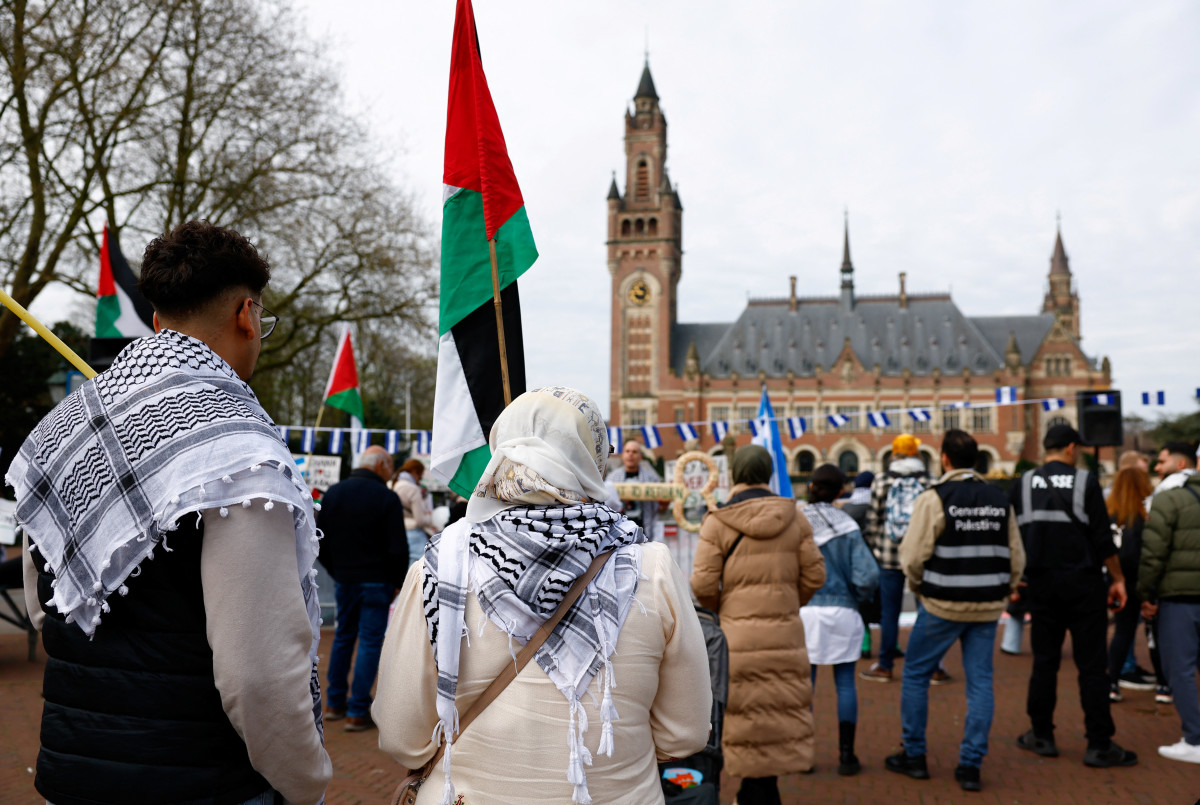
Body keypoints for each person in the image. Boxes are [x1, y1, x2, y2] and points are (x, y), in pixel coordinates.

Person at [12, 220, 331, 804]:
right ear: (246, 314)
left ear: (158, 321)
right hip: (202, 781)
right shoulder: (237, 451)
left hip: (72, 771)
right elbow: (257, 676)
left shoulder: (67, 427)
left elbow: (44, 607)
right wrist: (308, 783)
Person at [373, 387, 711, 804]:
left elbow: (401, 734)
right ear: (592, 459)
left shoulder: (440, 565)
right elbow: (685, 733)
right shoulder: (652, 567)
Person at [885, 429, 1025, 792]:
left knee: (916, 675)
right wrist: (1003, 590)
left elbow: (912, 557)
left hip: (942, 604)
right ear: (976, 460)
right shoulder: (999, 498)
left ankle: (914, 755)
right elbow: (1016, 557)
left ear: (944, 459)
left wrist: (921, 588)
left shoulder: (935, 497)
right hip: (987, 607)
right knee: (980, 683)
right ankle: (970, 765)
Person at [692, 444, 826, 805]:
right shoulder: (795, 518)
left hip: (736, 637)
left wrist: (725, 609)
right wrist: (788, 603)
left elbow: (703, 585)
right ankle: (763, 791)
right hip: (785, 633)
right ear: (769, 474)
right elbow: (815, 575)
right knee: (778, 713)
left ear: (734, 474)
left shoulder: (718, 521)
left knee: (747, 717)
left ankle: (754, 793)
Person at [1009, 423, 1137, 768]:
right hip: (1083, 585)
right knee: (1092, 667)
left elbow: (1012, 536)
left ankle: (1041, 734)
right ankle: (1099, 744)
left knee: (1044, 662)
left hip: (1040, 585)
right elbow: (1102, 539)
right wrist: (1118, 578)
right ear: (1070, 448)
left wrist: (1016, 579)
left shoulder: (1022, 483)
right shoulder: (1085, 482)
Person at [317, 445, 408, 732]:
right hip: (377, 581)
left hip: (345, 579)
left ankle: (334, 704)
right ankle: (357, 710)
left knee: (343, 638)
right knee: (369, 642)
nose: (391, 472)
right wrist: (397, 582)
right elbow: (398, 547)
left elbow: (319, 541)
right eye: (390, 466)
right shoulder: (386, 497)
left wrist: (338, 571)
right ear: (381, 465)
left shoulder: (334, 493)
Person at [801, 464, 880, 777]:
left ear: (811, 487)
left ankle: (804, 755)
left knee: (805, 686)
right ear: (840, 491)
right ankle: (847, 755)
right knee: (845, 683)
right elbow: (868, 575)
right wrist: (857, 596)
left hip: (806, 613)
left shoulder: (796, 523)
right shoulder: (847, 524)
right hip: (844, 611)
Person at [862, 434, 949, 684]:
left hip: (890, 556)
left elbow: (873, 521)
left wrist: (878, 549)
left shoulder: (882, 480)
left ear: (894, 454)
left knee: (889, 613)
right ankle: (932, 667)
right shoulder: (930, 480)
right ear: (916, 454)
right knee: (927, 610)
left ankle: (886, 666)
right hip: (923, 556)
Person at [1139, 453, 1200, 764]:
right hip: (1182, 593)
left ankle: (1195, 739)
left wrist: (1146, 593)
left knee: (1180, 669)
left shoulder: (1170, 498)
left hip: (1180, 596)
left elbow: (1154, 552)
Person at [1105, 467, 1166, 702]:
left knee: (1123, 632)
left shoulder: (1110, 514)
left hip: (1117, 581)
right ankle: (1163, 685)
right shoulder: (1145, 516)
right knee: (1154, 634)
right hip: (1142, 580)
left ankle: (1112, 683)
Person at [608, 437, 666, 540]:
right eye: (627, 451)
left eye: (634, 452)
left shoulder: (652, 479)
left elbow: (660, 510)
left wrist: (665, 503)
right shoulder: (612, 479)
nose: (630, 454)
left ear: (640, 456)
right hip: (619, 533)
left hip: (645, 531)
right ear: (623, 455)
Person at [392, 458, 436, 568]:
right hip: (414, 533)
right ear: (415, 472)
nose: (419, 480)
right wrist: (429, 517)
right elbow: (420, 520)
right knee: (418, 568)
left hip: (397, 531)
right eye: (420, 476)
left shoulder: (393, 484)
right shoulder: (413, 489)